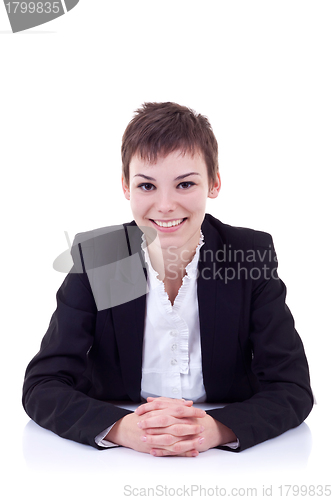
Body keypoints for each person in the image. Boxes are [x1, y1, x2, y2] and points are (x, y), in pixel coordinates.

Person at [22, 102, 313, 457]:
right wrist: (124, 428)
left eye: (185, 184)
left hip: (227, 465)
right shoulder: (103, 256)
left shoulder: (246, 252)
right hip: (111, 464)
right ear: (126, 186)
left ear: (214, 183)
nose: (165, 205)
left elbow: (292, 387)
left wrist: (217, 428)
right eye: (147, 186)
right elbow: (43, 385)